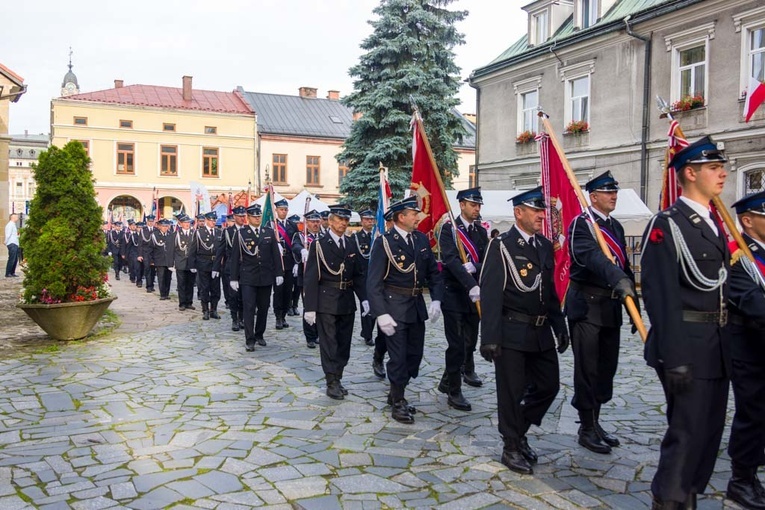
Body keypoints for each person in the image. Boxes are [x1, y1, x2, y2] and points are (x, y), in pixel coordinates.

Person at [641, 136, 730, 509]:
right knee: (687, 429)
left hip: (717, 344)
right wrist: (674, 355)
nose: (722, 174)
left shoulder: (715, 222)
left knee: (709, 431)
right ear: (690, 173)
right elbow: (661, 295)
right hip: (688, 346)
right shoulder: (669, 225)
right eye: (713, 168)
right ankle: (670, 499)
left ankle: (690, 492)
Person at [479, 186, 569, 475]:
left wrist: (559, 324)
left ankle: (517, 430)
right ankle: (512, 446)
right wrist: (489, 337)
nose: (542, 215)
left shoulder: (543, 245)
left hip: (540, 332)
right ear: (518, 213)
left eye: (542, 210)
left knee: (548, 386)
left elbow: (549, 291)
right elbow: (491, 293)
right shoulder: (501, 245)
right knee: (511, 391)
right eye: (535, 210)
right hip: (512, 330)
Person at [566, 171, 637, 454]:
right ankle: (586, 427)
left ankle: (596, 421)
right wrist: (617, 279)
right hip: (587, 305)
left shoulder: (616, 226)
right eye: (608, 192)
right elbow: (591, 258)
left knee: (606, 368)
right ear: (593, 197)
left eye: (615, 191)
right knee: (588, 368)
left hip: (610, 307)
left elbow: (623, 263)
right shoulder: (581, 225)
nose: (614, 196)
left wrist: (632, 303)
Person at [367, 196, 444, 424]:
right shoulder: (385, 242)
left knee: (414, 357)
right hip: (394, 306)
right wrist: (380, 313)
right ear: (401, 217)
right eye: (413, 214)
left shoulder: (420, 240)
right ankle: (398, 400)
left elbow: (433, 274)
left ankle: (396, 390)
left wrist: (436, 300)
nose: (417, 217)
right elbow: (374, 283)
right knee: (398, 358)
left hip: (415, 307)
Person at [724, 191, 765, 509]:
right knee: (752, 415)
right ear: (747, 221)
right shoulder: (738, 256)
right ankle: (741, 479)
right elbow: (752, 302)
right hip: (749, 349)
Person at [303, 205, 368, 399]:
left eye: (346, 220)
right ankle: (331, 381)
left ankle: (338, 375)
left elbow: (358, 275)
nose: (343, 223)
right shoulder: (319, 244)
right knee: (329, 343)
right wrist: (310, 308)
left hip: (346, 300)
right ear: (330, 221)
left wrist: (364, 298)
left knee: (343, 344)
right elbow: (311, 277)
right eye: (339, 219)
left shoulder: (351, 243)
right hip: (326, 300)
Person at [437, 187, 487, 412]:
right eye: (473, 205)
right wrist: (470, 283)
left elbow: (487, 260)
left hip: (473, 295)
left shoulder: (481, 232)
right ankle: (454, 391)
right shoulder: (450, 230)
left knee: (469, 342)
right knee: (456, 344)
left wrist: (475, 267)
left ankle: (447, 379)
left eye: (478, 205)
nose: (477, 209)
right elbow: (450, 261)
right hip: (455, 293)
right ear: (462, 205)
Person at [230, 204, 284, 351]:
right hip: (248, 277)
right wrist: (233, 277)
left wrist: (279, 273)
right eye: (254, 216)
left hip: (265, 277)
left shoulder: (268, 232)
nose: (257, 218)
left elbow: (275, 255)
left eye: (259, 216)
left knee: (264, 308)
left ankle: (259, 334)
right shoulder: (242, 233)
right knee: (248, 307)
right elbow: (235, 257)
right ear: (248, 218)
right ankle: (249, 339)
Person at [292, 209, 323, 348]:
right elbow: (295, 246)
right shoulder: (301, 236)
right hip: (306, 277)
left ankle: (318, 333)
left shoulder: (324, 236)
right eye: (312, 221)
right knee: (308, 305)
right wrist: (302, 250)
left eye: (317, 221)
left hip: (322, 277)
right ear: (307, 223)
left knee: (321, 306)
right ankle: (310, 336)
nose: (315, 224)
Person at [351, 209, 376, 346]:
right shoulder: (356, 238)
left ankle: (367, 331)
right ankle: (367, 334)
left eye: (371, 219)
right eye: (367, 219)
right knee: (366, 306)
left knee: (375, 306)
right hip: (363, 276)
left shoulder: (377, 236)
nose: (370, 222)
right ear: (362, 221)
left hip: (376, 276)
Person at [191, 211, 223, 320]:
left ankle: (214, 309)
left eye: (215, 220)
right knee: (204, 288)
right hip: (203, 263)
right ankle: (205, 310)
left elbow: (222, 249)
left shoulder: (219, 232)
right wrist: (192, 264)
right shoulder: (199, 232)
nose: (213, 222)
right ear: (206, 221)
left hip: (216, 264)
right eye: (211, 220)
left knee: (216, 289)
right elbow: (193, 249)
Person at [272, 199, 297, 330]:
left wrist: (296, 262)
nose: (283, 212)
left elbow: (296, 243)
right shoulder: (272, 225)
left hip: (289, 261)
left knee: (288, 291)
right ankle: (278, 317)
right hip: (277, 263)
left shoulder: (292, 225)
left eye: (285, 209)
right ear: (276, 210)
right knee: (278, 291)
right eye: (281, 209)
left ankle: (284, 315)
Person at [173, 215, 196, 311]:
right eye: (185, 223)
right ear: (180, 224)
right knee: (181, 284)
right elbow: (172, 250)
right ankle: (182, 303)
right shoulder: (176, 234)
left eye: (188, 223)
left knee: (190, 283)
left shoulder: (194, 234)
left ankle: (189, 302)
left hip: (191, 263)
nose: (187, 225)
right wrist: (171, 263)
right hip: (181, 262)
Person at [149, 218, 175, 300]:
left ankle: (166, 293)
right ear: (159, 226)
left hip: (169, 260)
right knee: (161, 277)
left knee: (168, 277)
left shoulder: (171, 235)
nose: (165, 228)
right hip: (159, 259)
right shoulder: (155, 235)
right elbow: (151, 248)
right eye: (163, 226)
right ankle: (162, 294)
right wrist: (152, 260)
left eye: (166, 226)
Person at [288, 213, 303, 317]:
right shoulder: (290, 235)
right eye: (295, 223)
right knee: (289, 287)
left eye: (298, 223)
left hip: (298, 263)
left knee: (297, 286)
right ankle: (289, 305)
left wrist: (297, 263)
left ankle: (295, 305)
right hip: (289, 262)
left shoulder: (301, 235)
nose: (297, 225)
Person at [138, 215, 157, 292]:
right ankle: (148, 286)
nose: (150, 223)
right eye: (149, 221)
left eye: (152, 221)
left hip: (154, 253)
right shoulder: (143, 230)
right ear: (147, 222)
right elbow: (140, 243)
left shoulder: (156, 230)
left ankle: (152, 285)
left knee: (153, 270)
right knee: (147, 269)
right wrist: (140, 255)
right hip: (145, 253)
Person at [5, 213, 19, 278]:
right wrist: (5, 242)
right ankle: (8, 273)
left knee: (15, 259)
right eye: (16, 217)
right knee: (12, 258)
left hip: (15, 243)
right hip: (12, 243)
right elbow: (8, 234)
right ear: (13, 217)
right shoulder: (10, 225)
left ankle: (12, 272)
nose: (18, 218)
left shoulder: (13, 225)